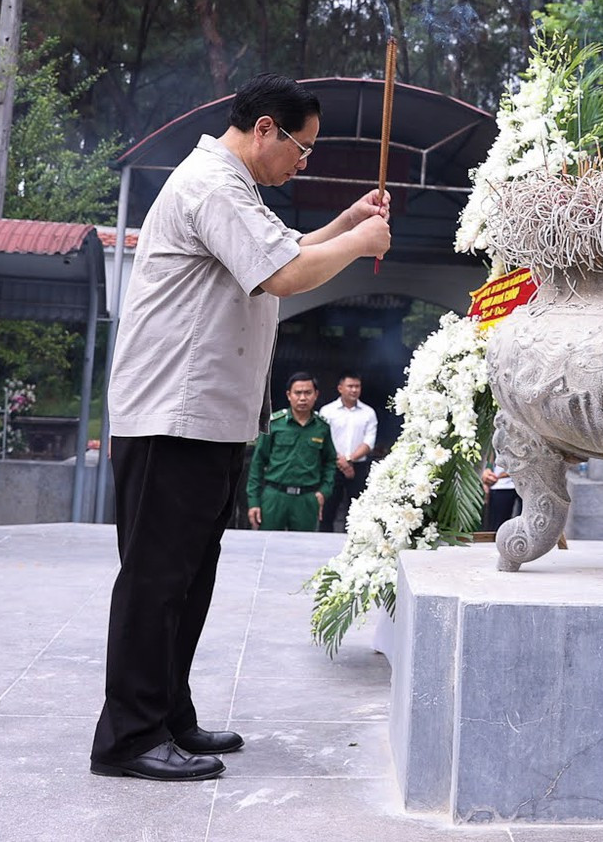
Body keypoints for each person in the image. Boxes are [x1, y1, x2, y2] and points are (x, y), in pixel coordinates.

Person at [90, 74, 390, 783]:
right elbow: (285, 274)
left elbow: (287, 249)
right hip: (173, 417)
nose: (303, 162)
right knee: (157, 580)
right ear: (264, 130)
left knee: (188, 579)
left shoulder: (235, 191)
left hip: (207, 421)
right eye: (302, 148)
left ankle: (167, 714)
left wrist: (346, 226)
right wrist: (361, 242)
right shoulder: (212, 186)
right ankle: (128, 736)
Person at [247, 372, 337, 532]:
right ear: (289, 395)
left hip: (307, 499)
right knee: (268, 547)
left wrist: (324, 492)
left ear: (316, 395)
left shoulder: (322, 427)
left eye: (308, 393)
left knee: (304, 551)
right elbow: (258, 463)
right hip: (274, 496)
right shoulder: (275, 424)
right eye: (298, 393)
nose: (303, 398)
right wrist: (254, 501)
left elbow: (330, 461)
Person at [317, 371, 376, 531]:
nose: (354, 390)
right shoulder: (327, 411)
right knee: (328, 511)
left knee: (357, 513)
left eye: (357, 386)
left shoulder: (368, 413)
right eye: (350, 386)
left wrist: (348, 459)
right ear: (340, 388)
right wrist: (342, 463)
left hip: (358, 468)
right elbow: (323, 440)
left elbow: (369, 443)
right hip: (332, 467)